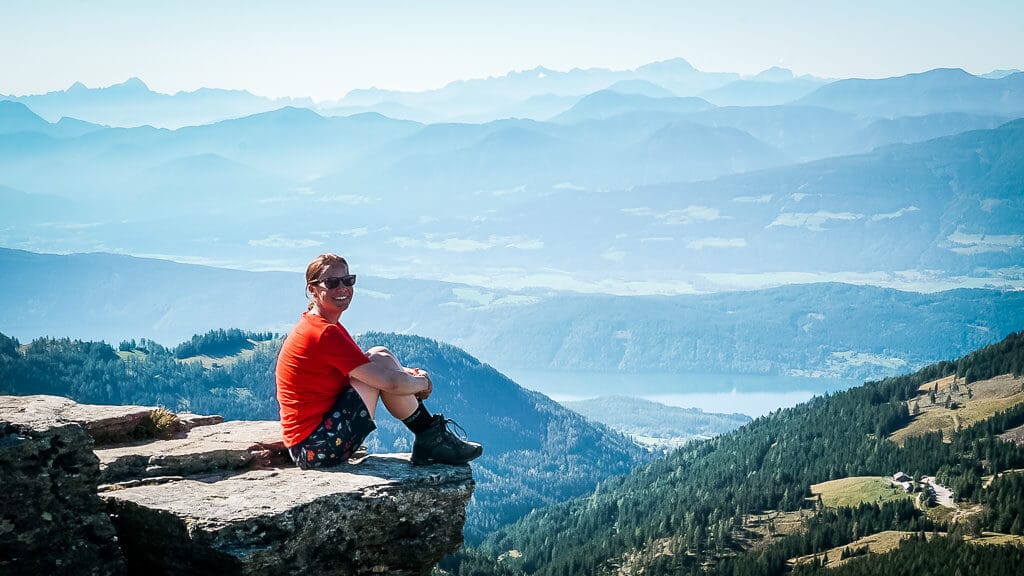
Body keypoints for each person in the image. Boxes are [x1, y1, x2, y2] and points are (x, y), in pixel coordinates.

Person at [275, 253, 482, 469]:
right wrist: (424, 383)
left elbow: (366, 364)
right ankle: (430, 437)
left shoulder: (320, 324)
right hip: (315, 449)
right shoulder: (324, 333)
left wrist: (409, 374)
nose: (343, 288)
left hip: (310, 443)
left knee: (379, 353)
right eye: (332, 282)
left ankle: (429, 435)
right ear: (312, 289)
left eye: (348, 280)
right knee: (381, 370)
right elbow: (389, 383)